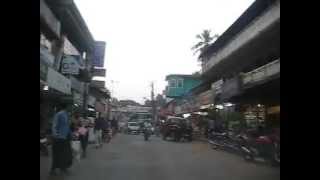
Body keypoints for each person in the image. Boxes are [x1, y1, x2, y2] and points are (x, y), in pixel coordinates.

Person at [50, 103, 72, 176]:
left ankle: (63, 168)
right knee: (57, 155)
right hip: (58, 139)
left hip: (65, 138)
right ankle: (53, 170)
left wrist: (71, 134)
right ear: (66, 107)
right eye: (70, 106)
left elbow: (67, 127)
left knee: (65, 154)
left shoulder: (67, 115)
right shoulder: (59, 114)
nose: (71, 108)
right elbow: (54, 125)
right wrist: (55, 135)